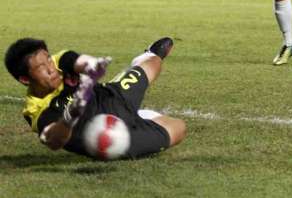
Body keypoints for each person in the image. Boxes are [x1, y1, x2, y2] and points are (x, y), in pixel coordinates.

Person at [4, 37, 186, 159]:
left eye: (48, 60)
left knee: (154, 62)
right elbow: (54, 140)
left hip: (111, 97)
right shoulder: (36, 111)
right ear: (25, 79)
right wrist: (69, 119)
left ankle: (147, 55)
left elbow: (81, 61)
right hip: (106, 136)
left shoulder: (60, 61)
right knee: (179, 128)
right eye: (41, 67)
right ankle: (142, 117)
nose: (51, 68)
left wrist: (92, 65)